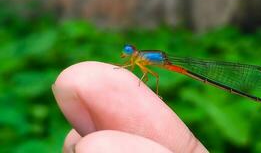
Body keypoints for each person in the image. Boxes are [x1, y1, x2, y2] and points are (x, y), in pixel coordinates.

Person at [53, 61, 208, 153]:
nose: (127, 53)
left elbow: (151, 76)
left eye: (129, 52)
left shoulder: (143, 59)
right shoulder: (138, 59)